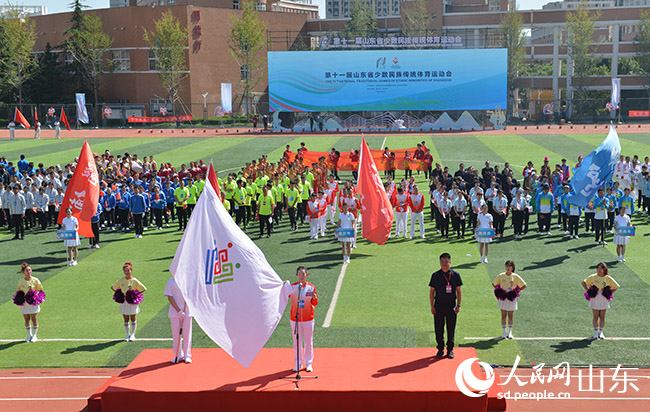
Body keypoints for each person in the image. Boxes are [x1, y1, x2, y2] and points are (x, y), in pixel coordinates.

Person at [429, 253, 462, 359]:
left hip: (451, 306)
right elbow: (431, 292)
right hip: (438, 305)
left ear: (450, 262)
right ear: (440, 262)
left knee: (451, 328)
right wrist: (432, 306)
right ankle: (440, 349)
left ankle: (450, 350)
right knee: (438, 328)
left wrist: (459, 305)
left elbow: (459, 291)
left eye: (446, 262)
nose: (444, 264)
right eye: (442, 262)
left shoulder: (455, 275)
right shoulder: (435, 275)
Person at [288, 266, 318, 372]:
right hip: (295, 320)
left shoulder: (311, 288)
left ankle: (309, 363)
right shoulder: (292, 287)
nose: (301, 276)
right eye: (299, 274)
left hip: (308, 319)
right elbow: (283, 294)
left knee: (308, 342)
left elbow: (315, 303)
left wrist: (315, 298)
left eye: (303, 274)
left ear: (306, 275)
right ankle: (298, 363)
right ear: (297, 275)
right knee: (297, 342)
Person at [582, 262, 619, 340]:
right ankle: (596, 332)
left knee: (602, 316)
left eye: (601, 269)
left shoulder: (608, 278)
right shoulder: (593, 277)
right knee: (595, 316)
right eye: (598, 268)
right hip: (595, 297)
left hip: (603, 298)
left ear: (604, 269)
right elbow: (584, 282)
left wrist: (609, 292)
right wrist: (588, 290)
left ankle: (601, 332)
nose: (599, 270)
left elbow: (616, 286)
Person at [112, 262, 147, 342]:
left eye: (128, 270)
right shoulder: (121, 280)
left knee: (133, 317)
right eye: (125, 271)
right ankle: (127, 335)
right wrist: (120, 294)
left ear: (131, 270)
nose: (126, 272)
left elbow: (143, 288)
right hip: (124, 301)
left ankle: (133, 334)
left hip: (132, 301)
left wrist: (135, 295)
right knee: (125, 318)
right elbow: (114, 287)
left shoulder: (134, 280)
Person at [492, 261, 527, 339]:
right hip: (503, 297)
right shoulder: (501, 275)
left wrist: (516, 291)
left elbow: (524, 285)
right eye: (507, 266)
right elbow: (494, 284)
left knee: (510, 315)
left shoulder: (515, 276)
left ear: (512, 267)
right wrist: (500, 291)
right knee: (503, 315)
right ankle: (504, 332)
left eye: (510, 266)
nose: (508, 268)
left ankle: (510, 332)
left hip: (511, 297)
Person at [164, 276, 192, 364]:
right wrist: (179, 311)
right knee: (176, 334)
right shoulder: (170, 281)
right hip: (174, 312)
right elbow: (169, 297)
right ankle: (178, 354)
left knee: (187, 334)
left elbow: (192, 295)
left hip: (187, 311)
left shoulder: (187, 280)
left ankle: (187, 355)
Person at [15, 262, 45, 342]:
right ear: (23, 272)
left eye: (29, 270)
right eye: (27, 271)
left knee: (34, 318)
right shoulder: (21, 281)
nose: (28, 272)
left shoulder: (35, 280)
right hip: (25, 303)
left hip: (33, 302)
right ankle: (29, 335)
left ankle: (35, 335)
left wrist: (35, 297)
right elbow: (19, 291)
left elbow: (39, 290)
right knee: (26, 319)